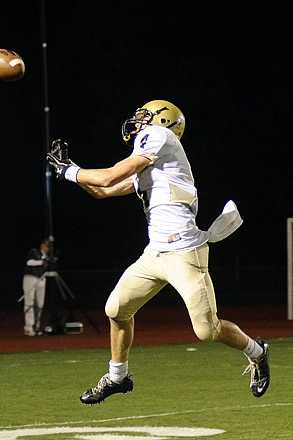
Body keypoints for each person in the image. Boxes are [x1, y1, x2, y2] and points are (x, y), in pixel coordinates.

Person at [46, 100, 270, 404]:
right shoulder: (155, 164)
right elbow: (102, 190)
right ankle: (118, 376)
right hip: (155, 255)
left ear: (162, 120)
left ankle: (257, 351)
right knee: (116, 309)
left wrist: (70, 172)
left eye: (144, 116)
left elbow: (108, 177)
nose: (138, 121)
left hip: (185, 254)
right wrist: (68, 172)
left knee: (207, 330)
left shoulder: (161, 137)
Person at [22, 240, 49, 336]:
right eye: (46, 246)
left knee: (40, 304)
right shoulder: (34, 252)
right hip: (31, 278)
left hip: (41, 280)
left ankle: (36, 326)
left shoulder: (47, 257)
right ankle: (28, 327)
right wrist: (42, 262)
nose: (48, 248)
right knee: (29, 302)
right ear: (42, 245)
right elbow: (29, 262)